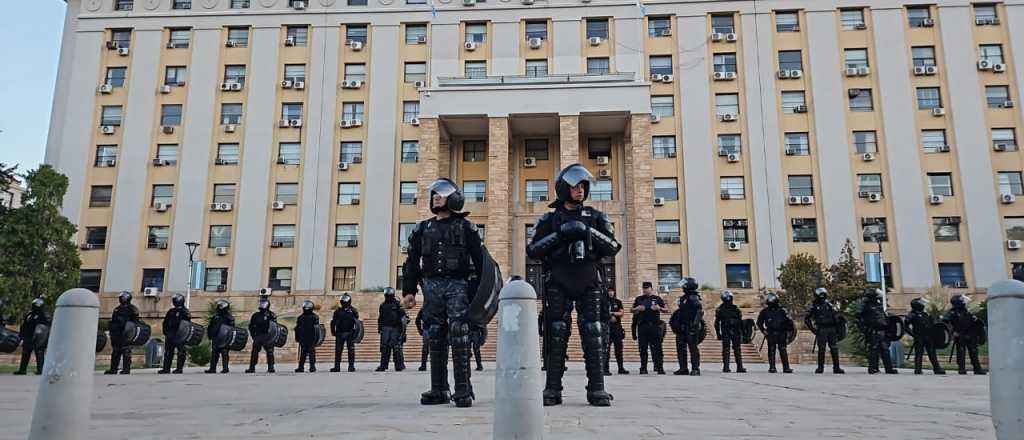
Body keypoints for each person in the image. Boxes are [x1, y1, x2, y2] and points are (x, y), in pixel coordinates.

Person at [527, 164, 621, 407]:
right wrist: (560, 234)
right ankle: (552, 388)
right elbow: (533, 250)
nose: (580, 190)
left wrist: (587, 230)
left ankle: (597, 387)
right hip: (559, 279)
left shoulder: (597, 216)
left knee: (593, 331)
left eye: (583, 186)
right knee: (556, 332)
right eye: (575, 186)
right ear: (563, 189)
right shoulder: (549, 219)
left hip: (589, 279)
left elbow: (613, 247)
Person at [403, 178, 485, 408]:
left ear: (454, 198)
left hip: (457, 285)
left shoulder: (466, 227)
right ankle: (438, 389)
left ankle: (463, 389)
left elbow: (481, 262)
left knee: (459, 332)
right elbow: (411, 262)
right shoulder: (422, 229)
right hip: (431, 286)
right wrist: (409, 291)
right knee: (434, 333)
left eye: (442, 193)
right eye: (435, 194)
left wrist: (478, 293)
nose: (437, 197)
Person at [856, 288, 898, 374]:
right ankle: (872, 368)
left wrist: (888, 327)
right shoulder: (864, 305)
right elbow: (858, 318)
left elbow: (884, 317)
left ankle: (889, 368)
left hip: (882, 330)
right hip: (873, 330)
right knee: (873, 349)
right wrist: (864, 329)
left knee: (885, 349)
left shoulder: (879, 305)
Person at [943, 295, 986, 375]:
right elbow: (945, 322)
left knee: (974, 351)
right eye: (962, 300)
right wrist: (953, 332)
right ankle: (961, 369)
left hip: (970, 334)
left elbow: (974, 321)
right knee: (961, 352)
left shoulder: (967, 311)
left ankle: (977, 369)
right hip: (960, 335)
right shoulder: (952, 312)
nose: (964, 302)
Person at [804, 287, 844, 374]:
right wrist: (813, 329)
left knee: (834, 348)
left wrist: (839, 326)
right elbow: (807, 319)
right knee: (822, 348)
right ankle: (820, 367)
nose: (822, 297)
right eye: (820, 295)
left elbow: (836, 315)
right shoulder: (814, 306)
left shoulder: (829, 304)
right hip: (821, 329)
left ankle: (836, 367)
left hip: (832, 328)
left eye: (823, 295)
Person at [669, 278, 703, 376]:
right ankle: (683, 368)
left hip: (691, 326)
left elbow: (699, 311)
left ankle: (695, 368)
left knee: (693, 348)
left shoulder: (693, 297)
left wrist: (695, 325)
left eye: (684, 286)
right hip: (682, 326)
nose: (683, 287)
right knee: (680, 348)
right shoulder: (684, 298)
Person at [632, 282, 666, 375]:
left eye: (647, 288)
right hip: (643, 326)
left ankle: (660, 367)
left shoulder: (657, 298)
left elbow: (666, 309)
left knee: (658, 348)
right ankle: (643, 368)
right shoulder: (639, 299)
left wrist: (659, 308)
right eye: (644, 288)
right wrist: (637, 309)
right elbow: (632, 310)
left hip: (655, 326)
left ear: (651, 288)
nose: (645, 290)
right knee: (643, 348)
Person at [905, 297, 945, 375]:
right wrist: (913, 334)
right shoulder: (912, 314)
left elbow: (932, 324)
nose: (923, 305)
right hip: (919, 336)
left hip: (928, 336)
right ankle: (918, 369)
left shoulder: (925, 314)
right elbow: (905, 325)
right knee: (919, 353)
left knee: (932, 353)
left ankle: (937, 368)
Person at [756, 292, 793, 374]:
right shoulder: (765, 311)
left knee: (783, 350)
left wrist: (789, 333)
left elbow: (789, 322)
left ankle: (786, 368)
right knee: (771, 350)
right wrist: (763, 330)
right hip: (771, 332)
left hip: (782, 332)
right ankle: (772, 367)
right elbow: (759, 322)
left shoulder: (783, 311)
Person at [105, 291, 140, 375]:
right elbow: (113, 321)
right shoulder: (117, 309)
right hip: (116, 334)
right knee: (115, 352)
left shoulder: (132, 309)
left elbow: (135, 323)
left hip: (126, 334)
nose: (120, 299)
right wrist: (111, 330)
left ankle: (126, 369)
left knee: (126, 351)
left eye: (122, 298)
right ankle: (113, 369)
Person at [15, 298, 50, 375]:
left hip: (38, 338)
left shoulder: (44, 315)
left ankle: (40, 370)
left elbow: (46, 328)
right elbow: (24, 325)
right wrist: (21, 335)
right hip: (28, 336)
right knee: (25, 353)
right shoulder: (29, 315)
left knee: (39, 353)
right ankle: (22, 370)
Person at [714, 290, 746, 373]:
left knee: (733, 349)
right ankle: (728, 367)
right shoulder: (721, 309)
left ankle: (738, 367)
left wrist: (743, 333)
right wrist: (718, 334)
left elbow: (740, 321)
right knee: (729, 349)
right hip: (727, 331)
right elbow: (716, 323)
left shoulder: (735, 308)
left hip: (734, 331)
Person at [159, 294, 191, 374]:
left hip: (180, 334)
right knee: (168, 352)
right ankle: (166, 369)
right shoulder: (171, 311)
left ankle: (179, 369)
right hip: (170, 334)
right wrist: (165, 331)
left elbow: (187, 324)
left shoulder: (185, 311)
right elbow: (165, 321)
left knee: (181, 351)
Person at [245, 298, 277, 373]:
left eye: (263, 303)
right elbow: (251, 326)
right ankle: (252, 367)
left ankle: (271, 367)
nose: (261, 304)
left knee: (270, 351)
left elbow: (275, 326)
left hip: (268, 336)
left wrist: (272, 336)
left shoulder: (271, 314)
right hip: (258, 335)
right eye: (261, 303)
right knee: (254, 352)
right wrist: (253, 335)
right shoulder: (255, 315)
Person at [377, 288, 405, 372]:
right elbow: (380, 317)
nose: (388, 297)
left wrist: (402, 329)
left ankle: (398, 365)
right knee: (384, 347)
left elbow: (403, 316)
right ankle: (383, 365)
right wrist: (379, 328)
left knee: (396, 347)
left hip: (395, 328)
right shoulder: (382, 305)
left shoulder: (398, 305)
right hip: (385, 327)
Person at [330, 293, 359, 372]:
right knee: (338, 351)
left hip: (350, 332)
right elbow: (333, 322)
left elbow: (357, 322)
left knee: (351, 350)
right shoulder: (337, 311)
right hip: (340, 333)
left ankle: (351, 366)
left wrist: (356, 333)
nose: (344, 302)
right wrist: (333, 331)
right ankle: (337, 367)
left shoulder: (353, 311)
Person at [603, 287, 628, 375]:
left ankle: (621, 368)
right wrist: (609, 316)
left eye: (612, 291)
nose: (611, 293)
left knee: (619, 349)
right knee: (606, 349)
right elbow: (602, 313)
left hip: (617, 328)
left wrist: (612, 313)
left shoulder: (618, 302)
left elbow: (621, 313)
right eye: (609, 291)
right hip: (606, 328)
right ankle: (605, 369)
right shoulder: (604, 301)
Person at [206, 300, 235, 374]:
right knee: (214, 353)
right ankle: (212, 368)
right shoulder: (215, 316)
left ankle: (225, 368)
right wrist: (210, 335)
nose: (219, 307)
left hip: (224, 338)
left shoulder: (229, 317)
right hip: (216, 337)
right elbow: (210, 326)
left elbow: (232, 329)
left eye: (221, 306)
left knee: (224, 352)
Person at [295, 300, 319, 373]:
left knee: (311, 353)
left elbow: (317, 329)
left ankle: (312, 367)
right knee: (303, 353)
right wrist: (297, 337)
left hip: (311, 337)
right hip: (303, 337)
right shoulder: (300, 317)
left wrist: (316, 339)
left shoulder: (314, 317)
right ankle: (301, 367)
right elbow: (297, 328)